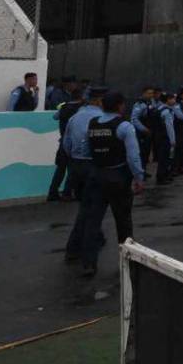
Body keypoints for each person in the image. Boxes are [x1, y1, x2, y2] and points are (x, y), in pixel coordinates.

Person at [79, 91, 144, 278]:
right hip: (118, 177)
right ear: (120, 106)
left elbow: (85, 148)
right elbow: (133, 156)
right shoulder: (124, 126)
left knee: (92, 222)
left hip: (96, 174)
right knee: (123, 221)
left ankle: (88, 264)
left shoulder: (92, 124)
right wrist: (138, 178)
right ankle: (128, 260)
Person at [62, 87, 107, 264]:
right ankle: (78, 250)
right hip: (92, 165)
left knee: (85, 205)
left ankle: (96, 238)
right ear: (98, 101)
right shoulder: (101, 119)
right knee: (90, 211)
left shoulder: (75, 117)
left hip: (76, 165)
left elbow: (66, 143)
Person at [47, 89, 85, 201]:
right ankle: (67, 192)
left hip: (63, 140)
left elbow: (55, 117)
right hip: (75, 141)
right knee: (73, 169)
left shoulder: (64, 107)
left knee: (60, 168)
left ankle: (53, 192)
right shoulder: (81, 109)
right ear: (81, 97)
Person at [130, 88, 156, 178]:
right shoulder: (139, 104)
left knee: (146, 152)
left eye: (152, 93)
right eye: (149, 93)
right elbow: (134, 119)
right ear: (143, 94)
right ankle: (139, 173)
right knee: (140, 153)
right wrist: (143, 129)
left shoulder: (151, 102)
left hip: (149, 131)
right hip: (141, 132)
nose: (151, 95)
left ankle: (143, 170)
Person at [153, 93, 176, 185]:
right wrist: (173, 140)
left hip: (158, 136)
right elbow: (169, 127)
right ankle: (161, 177)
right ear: (167, 100)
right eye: (172, 99)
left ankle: (164, 175)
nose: (174, 100)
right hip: (165, 137)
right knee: (165, 159)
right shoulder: (167, 112)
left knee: (163, 158)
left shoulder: (160, 108)